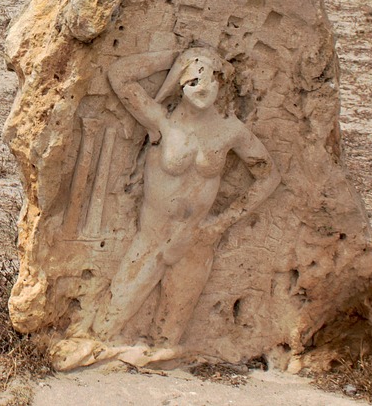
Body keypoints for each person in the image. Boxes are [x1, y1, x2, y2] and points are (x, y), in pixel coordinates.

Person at [55, 46, 281, 369]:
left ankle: (150, 357)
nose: (203, 87)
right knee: (104, 328)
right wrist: (174, 57)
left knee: (168, 341)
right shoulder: (161, 121)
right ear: (180, 82)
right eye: (194, 78)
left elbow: (268, 175)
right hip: (151, 240)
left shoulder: (230, 130)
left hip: (194, 244)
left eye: (211, 78)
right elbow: (119, 76)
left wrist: (222, 222)